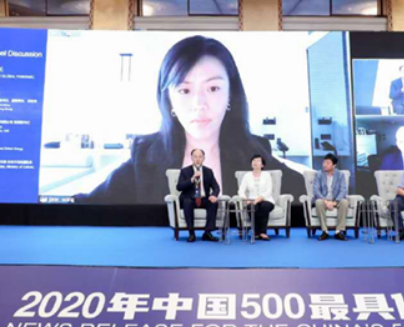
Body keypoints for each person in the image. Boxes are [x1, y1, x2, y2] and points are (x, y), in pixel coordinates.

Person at [75, 35, 305, 205]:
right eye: (184, 91)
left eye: (213, 88)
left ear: (230, 95)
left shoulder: (254, 153)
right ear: (169, 101)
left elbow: (306, 196)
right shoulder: (145, 157)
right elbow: (87, 209)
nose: (199, 104)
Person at [176, 149, 221, 242]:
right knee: (187, 202)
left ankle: (207, 232)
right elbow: (179, 187)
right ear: (191, 158)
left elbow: (216, 187)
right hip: (190, 198)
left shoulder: (208, 171)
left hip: (203, 198)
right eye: (195, 157)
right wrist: (191, 179)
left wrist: (214, 195)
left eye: (200, 157)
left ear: (203, 158)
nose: (197, 159)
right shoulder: (185, 171)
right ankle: (191, 233)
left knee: (213, 203)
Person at [238, 155, 277, 241]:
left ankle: (262, 232)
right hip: (251, 200)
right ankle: (256, 232)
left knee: (264, 207)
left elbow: (269, 190)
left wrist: (259, 199)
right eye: (254, 160)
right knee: (252, 207)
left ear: (262, 165)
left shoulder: (267, 175)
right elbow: (241, 191)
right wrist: (246, 199)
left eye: (258, 161)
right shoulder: (247, 176)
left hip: (266, 199)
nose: (255, 162)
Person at [312, 153, 349, 241]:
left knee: (344, 202)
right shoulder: (318, 174)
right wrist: (326, 202)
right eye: (324, 162)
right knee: (318, 202)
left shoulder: (340, 174)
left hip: (336, 199)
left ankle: (338, 232)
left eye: (328, 163)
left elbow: (343, 190)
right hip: (323, 199)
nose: (324, 165)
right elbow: (316, 190)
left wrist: (334, 202)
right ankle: (325, 231)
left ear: (334, 165)